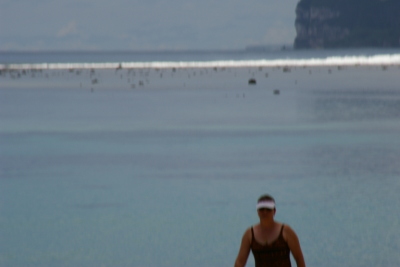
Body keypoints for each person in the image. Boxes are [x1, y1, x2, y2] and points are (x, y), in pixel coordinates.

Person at [234, 194, 305, 267]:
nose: (265, 212)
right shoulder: (250, 234)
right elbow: (240, 262)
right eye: (261, 209)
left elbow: (299, 259)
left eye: (268, 209)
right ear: (257, 211)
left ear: (274, 211)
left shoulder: (286, 231)